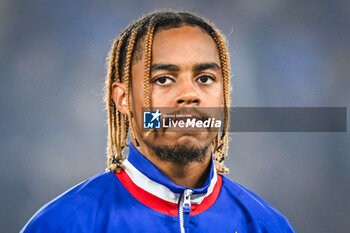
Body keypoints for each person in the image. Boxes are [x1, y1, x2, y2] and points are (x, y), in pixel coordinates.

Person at [21, 11, 296, 233]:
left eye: (205, 79)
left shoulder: (267, 225)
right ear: (124, 98)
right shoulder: (62, 225)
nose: (189, 95)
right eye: (163, 79)